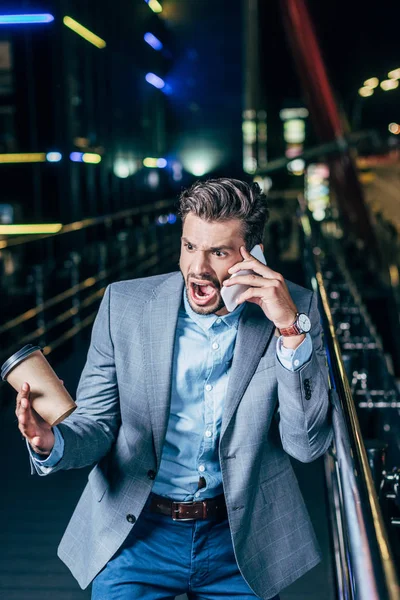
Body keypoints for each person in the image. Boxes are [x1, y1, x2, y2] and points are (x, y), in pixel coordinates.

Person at [16, 178, 333, 600]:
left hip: (239, 540)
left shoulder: (296, 309)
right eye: (189, 247)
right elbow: (95, 426)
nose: (197, 268)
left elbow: (306, 445)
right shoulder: (123, 305)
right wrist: (51, 441)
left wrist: (289, 331)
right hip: (136, 534)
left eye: (218, 252)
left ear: (252, 254)